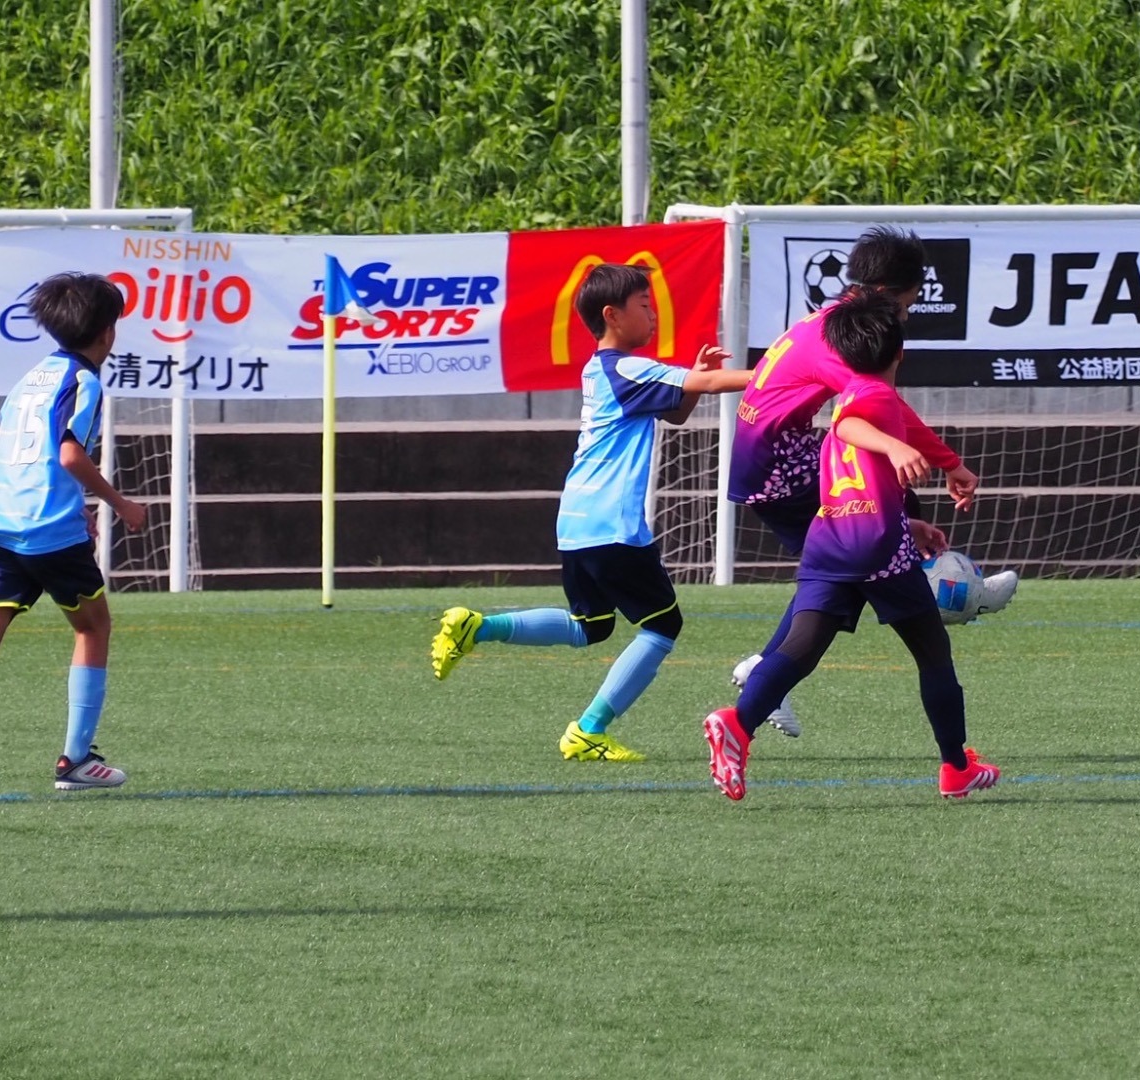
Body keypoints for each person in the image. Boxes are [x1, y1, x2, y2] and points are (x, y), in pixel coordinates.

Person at [431, 263, 755, 762]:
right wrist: (780, 374)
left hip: (577, 522)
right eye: (643, 305)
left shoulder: (599, 369)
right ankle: (589, 729)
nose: (653, 313)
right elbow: (710, 385)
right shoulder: (627, 368)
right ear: (612, 315)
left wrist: (694, 378)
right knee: (663, 626)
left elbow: (676, 411)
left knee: (590, 626)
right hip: (612, 525)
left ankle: (479, 626)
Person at [704, 289, 1001, 801]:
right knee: (933, 653)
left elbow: (856, 472)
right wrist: (896, 447)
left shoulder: (843, 393)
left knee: (801, 648)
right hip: (877, 550)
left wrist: (912, 520)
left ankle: (738, 724)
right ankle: (956, 768)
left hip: (831, 539)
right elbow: (852, 426)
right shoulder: (871, 399)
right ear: (900, 353)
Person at [728, 225, 1016, 737]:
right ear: (883, 293)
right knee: (866, 542)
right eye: (906, 305)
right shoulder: (845, 339)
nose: (907, 316)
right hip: (777, 465)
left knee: (849, 555)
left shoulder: (832, 320)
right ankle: (956, 590)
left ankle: (772, 669)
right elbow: (875, 412)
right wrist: (947, 461)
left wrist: (937, 466)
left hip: (774, 456)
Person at [0, 272, 148, 790]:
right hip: (48, 532)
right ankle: (77, 761)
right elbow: (68, 454)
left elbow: (27, 454)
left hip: (0, 526)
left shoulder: (30, 379)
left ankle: (79, 760)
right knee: (93, 627)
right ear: (108, 333)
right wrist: (120, 504)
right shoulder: (84, 382)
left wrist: (75, 504)